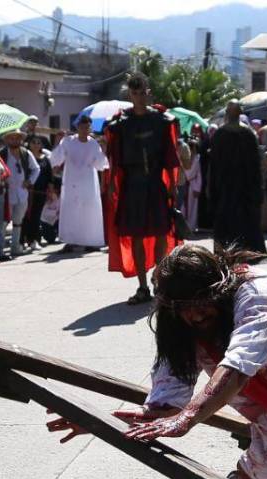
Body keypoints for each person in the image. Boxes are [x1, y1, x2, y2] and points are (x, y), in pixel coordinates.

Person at [47, 244, 267, 479]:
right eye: (185, 308)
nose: (197, 314)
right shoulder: (177, 319)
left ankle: (255, 457)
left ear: (221, 288)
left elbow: (238, 366)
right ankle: (263, 435)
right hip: (253, 374)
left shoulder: (260, 295)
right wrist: (103, 422)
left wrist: (189, 417)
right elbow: (168, 400)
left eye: (204, 301)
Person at [105, 71, 181, 305]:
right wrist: (111, 184)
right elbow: (114, 158)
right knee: (136, 235)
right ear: (130, 94)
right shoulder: (121, 124)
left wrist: (173, 184)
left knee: (160, 233)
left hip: (155, 184)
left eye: (142, 93)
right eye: (135, 93)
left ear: (148, 93)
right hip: (132, 185)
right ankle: (142, 286)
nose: (139, 97)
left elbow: (170, 156)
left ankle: (159, 281)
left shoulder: (160, 120)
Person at [208, 100, 267, 257]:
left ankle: (241, 254)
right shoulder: (223, 134)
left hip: (243, 189)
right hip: (227, 188)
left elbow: (255, 165)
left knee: (242, 222)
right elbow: (214, 165)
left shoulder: (247, 134)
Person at [49, 113, 109, 253]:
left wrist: (104, 149)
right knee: (71, 211)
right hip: (71, 182)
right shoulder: (68, 141)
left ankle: (90, 241)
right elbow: (56, 159)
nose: (85, 130)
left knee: (89, 211)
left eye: (87, 127)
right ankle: (71, 241)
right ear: (77, 127)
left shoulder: (93, 144)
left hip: (89, 183)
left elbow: (101, 165)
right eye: (82, 127)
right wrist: (57, 142)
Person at [1, 129, 41, 256]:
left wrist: (30, 181)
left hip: (22, 192)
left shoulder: (26, 153)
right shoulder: (2, 154)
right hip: (7, 193)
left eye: (17, 138)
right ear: (7, 140)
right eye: (12, 138)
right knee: (3, 221)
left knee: (18, 221)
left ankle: (15, 246)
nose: (15, 140)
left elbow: (36, 169)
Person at [22, 134, 53, 250]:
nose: (36, 145)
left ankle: (35, 240)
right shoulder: (25, 157)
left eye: (38, 143)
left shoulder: (45, 159)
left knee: (36, 216)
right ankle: (23, 239)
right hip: (28, 191)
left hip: (41, 192)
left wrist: (50, 190)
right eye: (33, 142)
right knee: (25, 216)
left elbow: (50, 176)